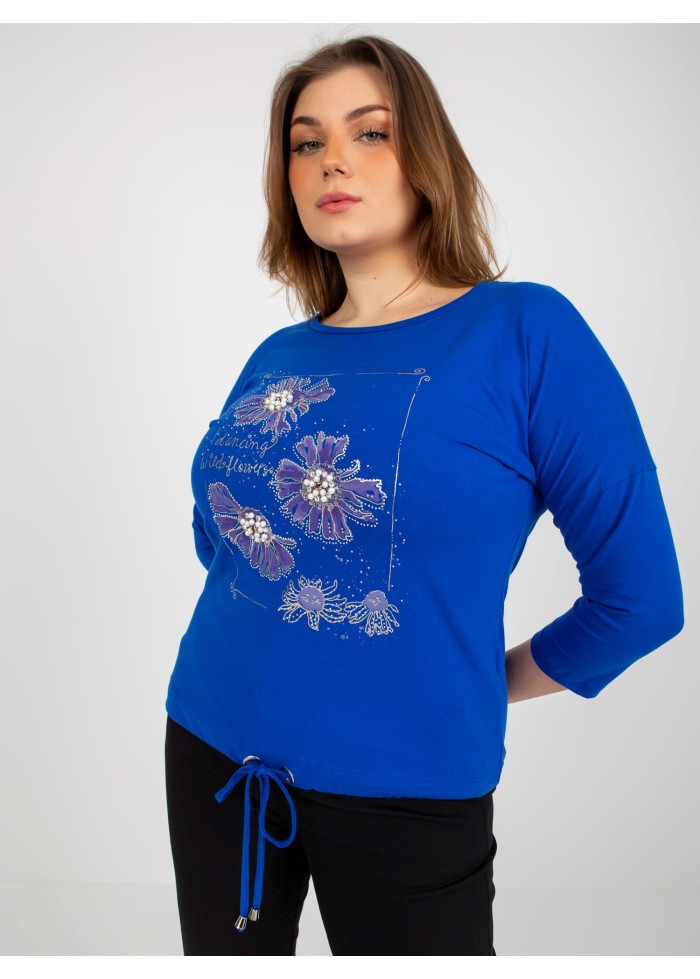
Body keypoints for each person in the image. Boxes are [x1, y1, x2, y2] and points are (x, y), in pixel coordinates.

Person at [164, 34, 684, 956]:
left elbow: (641, 600)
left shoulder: (525, 332)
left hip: (409, 790)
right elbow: (223, 541)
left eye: (370, 132)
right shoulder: (280, 354)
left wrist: (485, 680)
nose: (332, 160)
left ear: (427, 158)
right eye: (305, 141)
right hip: (213, 751)